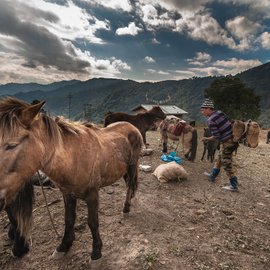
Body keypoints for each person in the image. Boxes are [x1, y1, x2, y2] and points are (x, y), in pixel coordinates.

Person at [200, 98, 239, 191]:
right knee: (219, 159)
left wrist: (206, 138)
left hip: (227, 142)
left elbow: (216, 136)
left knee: (226, 162)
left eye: (203, 109)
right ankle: (212, 175)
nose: (202, 112)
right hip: (233, 140)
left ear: (209, 109)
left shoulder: (210, 120)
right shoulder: (220, 112)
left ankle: (234, 185)